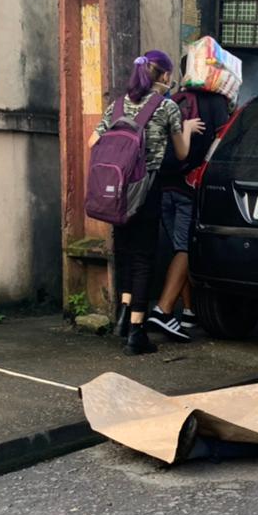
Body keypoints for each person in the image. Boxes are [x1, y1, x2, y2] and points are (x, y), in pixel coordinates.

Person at [89, 50, 205, 355]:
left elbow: (92, 142)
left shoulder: (117, 105)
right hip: (147, 189)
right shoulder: (167, 107)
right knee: (143, 259)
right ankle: (136, 332)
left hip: (117, 192)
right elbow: (182, 153)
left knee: (126, 254)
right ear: (165, 75)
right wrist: (187, 129)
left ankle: (124, 314)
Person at [145, 59, 232, 343]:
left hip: (163, 186)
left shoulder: (174, 99)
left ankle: (190, 310)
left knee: (178, 249)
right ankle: (163, 309)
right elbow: (222, 143)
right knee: (185, 249)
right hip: (190, 188)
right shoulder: (217, 102)